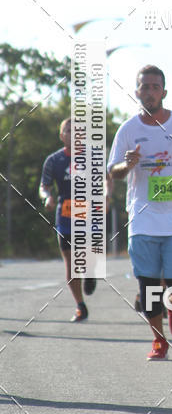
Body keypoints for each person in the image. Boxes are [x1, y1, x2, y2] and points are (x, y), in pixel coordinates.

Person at [107, 65, 172, 359]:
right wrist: (128, 164)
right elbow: (114, 172)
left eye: (154, 87)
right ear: (136, 92)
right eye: (144, 87)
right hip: (143, 218)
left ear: (164, 92)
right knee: (147, 285)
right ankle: (159, 340)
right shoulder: (128, 129)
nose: (149, 92)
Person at [40, 118, 96, 322]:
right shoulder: (53, 160)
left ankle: (90, 272)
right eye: (69, 130)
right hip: (65, 215)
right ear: (61, 135)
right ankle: (80, 306)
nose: (73, 134)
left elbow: (105, 181)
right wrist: (47, 197)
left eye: (77, 131)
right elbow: (44, 185)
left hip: (89, 213)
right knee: (71, 264)